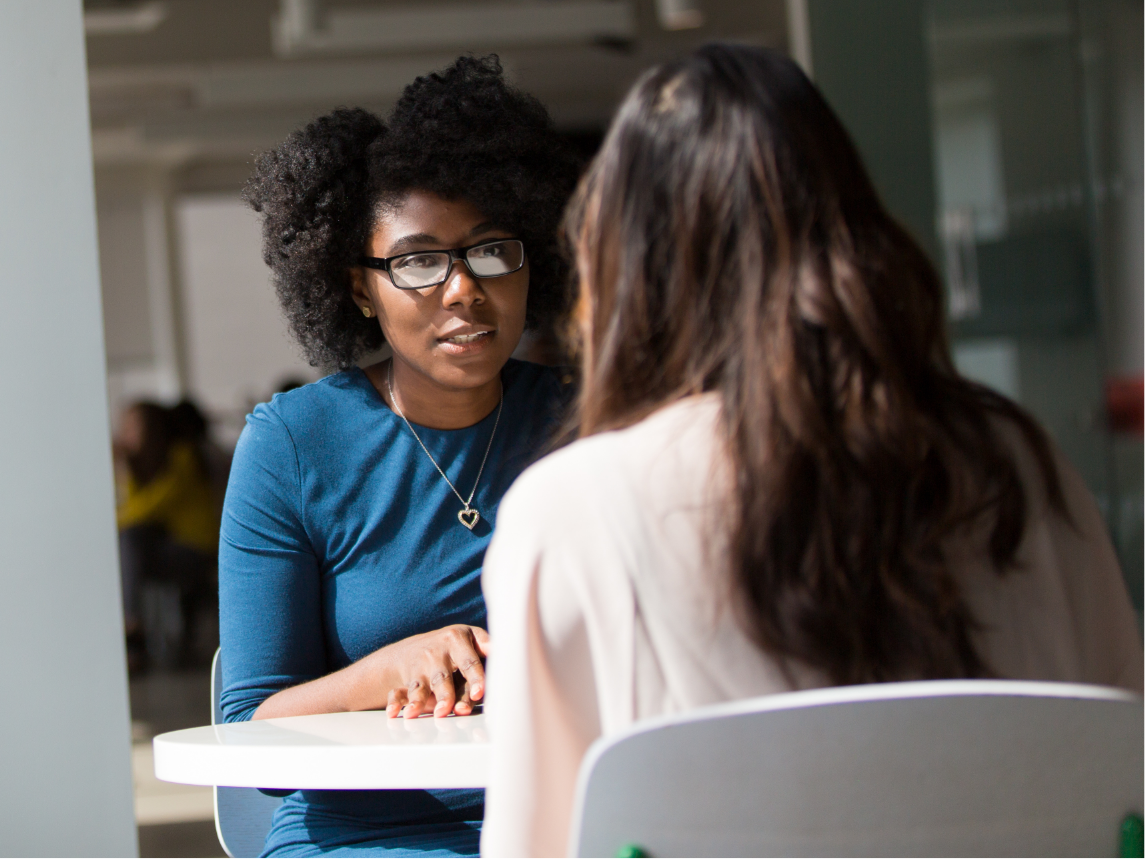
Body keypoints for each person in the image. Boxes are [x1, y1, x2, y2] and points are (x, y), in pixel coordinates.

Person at [479, 43, 1143, 857]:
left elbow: (531, 846)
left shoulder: (574, 512)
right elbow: (1123, 784)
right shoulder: (1018, 465)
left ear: (627, 267)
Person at [221, 56, 590, 857]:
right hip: (370, 835)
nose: (463, 289)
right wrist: (389, 671)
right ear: (360, 288)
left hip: (571, 820)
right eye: (420, 263)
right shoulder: (294, 444)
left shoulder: (585, 417)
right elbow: (249, 734)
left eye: (492, 250)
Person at [115, 400, 220, 670]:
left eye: (131, 427)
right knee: (129, 543)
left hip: (195, 550)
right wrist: (126, 469)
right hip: (167, 546)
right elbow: (135, 507)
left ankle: (132, 628)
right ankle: (132, 628)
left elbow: (148, 507)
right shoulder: (142, 466)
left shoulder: (181, 457)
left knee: (128, 541)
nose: (125, 434)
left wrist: (108, 523)